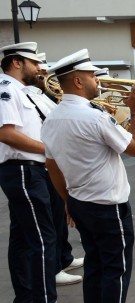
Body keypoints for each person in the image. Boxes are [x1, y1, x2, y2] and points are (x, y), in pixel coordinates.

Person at [41, 48, 135, 303]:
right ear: (77, 80)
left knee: (95, 269)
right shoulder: (94, 117)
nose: (97, 79)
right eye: (91, 75)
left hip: (79, 201)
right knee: (116, 271)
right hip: (107, 206)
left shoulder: (52, 118)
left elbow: (52, 167)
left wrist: (68, 201)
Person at [0, 42, 86, 303]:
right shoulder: (7, 89)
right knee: (42, 237)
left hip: (28, 169)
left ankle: (24, 300)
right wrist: (48, 150)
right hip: (23, 169)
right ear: (16, 62)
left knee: (24, 237)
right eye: (32, 62)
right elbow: (6, 134)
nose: (38, 67)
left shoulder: (19, 89)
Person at [31, 52, 85, 286]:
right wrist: (51, 148)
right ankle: (51, 272)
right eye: (36, 65)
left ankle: (62, 258)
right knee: (45, 227)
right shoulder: (13, 94)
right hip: (33, 166)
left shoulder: (39, 95)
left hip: (46, 163)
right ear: (16, 62)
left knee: (57, 218)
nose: (41, 71)